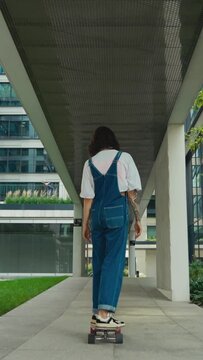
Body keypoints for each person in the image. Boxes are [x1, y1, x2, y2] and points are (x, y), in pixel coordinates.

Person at [80, 126, 142, 329]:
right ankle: (105, 314)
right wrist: (137, 219)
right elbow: (131, 193)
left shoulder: (89, 164)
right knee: (113, 262)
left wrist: (85, 225)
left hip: (97, 216)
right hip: (117, 214)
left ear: (95, 142)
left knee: (99, 262)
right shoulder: (124, 158)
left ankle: (97, 313)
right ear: (112, 140)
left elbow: (88, 199)